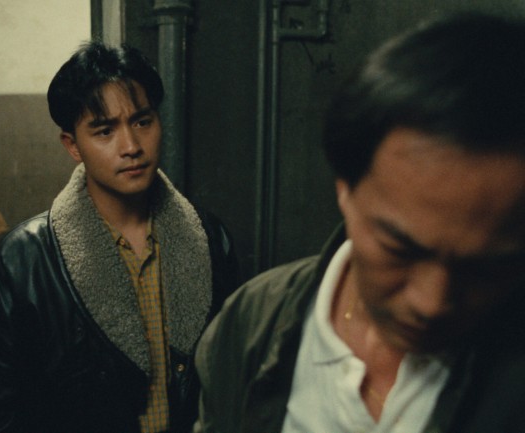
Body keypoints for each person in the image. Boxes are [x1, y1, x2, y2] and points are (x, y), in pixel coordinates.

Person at [193, 12, 525, 433]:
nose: (432, 302)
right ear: (345, 187)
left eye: (483, 269)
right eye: (399, 249)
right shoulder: (253, 319)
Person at [0, 41, 240, 433]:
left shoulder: (209, 238)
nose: (131, 147)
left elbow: (235, 382)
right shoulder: (24, 260)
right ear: (73, 145)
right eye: (105, 131)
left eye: (143, 122)